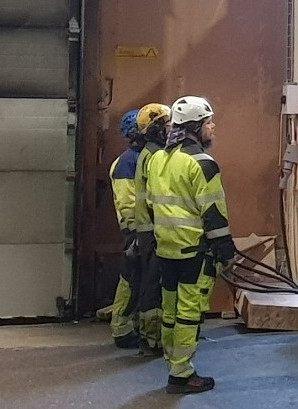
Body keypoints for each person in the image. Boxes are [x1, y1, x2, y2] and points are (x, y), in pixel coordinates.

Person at [146, 96, 234, 395]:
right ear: (197, 127)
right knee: (188, 313)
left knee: (170, 311)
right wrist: (224, 247)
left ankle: (173, 363)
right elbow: (213, 210)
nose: (213, 127)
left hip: (165, 249)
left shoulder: (158, 159)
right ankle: (182, 374)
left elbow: (149, 204)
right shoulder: (203, 163)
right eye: (209, 122)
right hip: (193, 251)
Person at [133, 103, 171, 357]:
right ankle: (153, 337)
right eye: (166, 125)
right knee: (153, 285)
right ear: (156, 129)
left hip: (148, 231)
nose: (170, 130)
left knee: (150, 283)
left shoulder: (148, 153)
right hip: (154, 232)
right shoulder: (155, 156)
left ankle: (150, 335)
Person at [108, 110, 144, 349]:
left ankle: (134, 324)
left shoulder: (141, 158)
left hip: (141, 229)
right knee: (130, 278)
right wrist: (135, 233)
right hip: (136, 231)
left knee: (139, 278)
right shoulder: (127, 162)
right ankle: (121, 328)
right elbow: (127, 201)